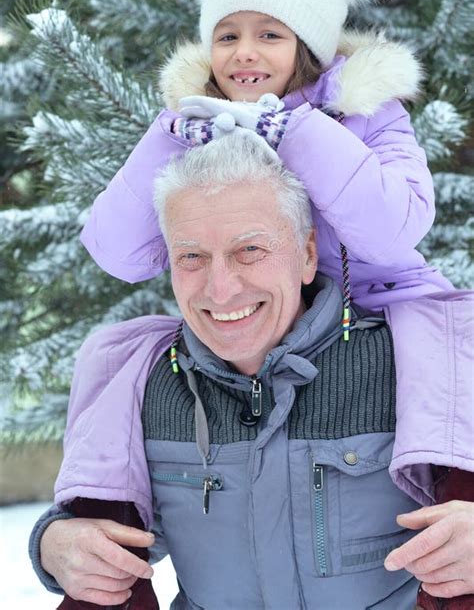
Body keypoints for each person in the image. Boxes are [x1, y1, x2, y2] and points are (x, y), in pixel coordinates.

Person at [29, 135, 474, 609]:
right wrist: (53, 545)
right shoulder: (142, 381)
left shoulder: (416, 366)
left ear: (306, 254)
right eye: (192, 257)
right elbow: (100, 534)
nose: (220, 290)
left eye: (250, 250)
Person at [80, 0, 454, 318]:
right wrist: (169, 142)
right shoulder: (196, 125)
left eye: (269, 34)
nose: (243, 53)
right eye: (226, 36)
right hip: (254, 322)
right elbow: (119, 255)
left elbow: (393, 231)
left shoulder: (366, 111)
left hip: (383, 312)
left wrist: (295, 134)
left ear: (307, 46)